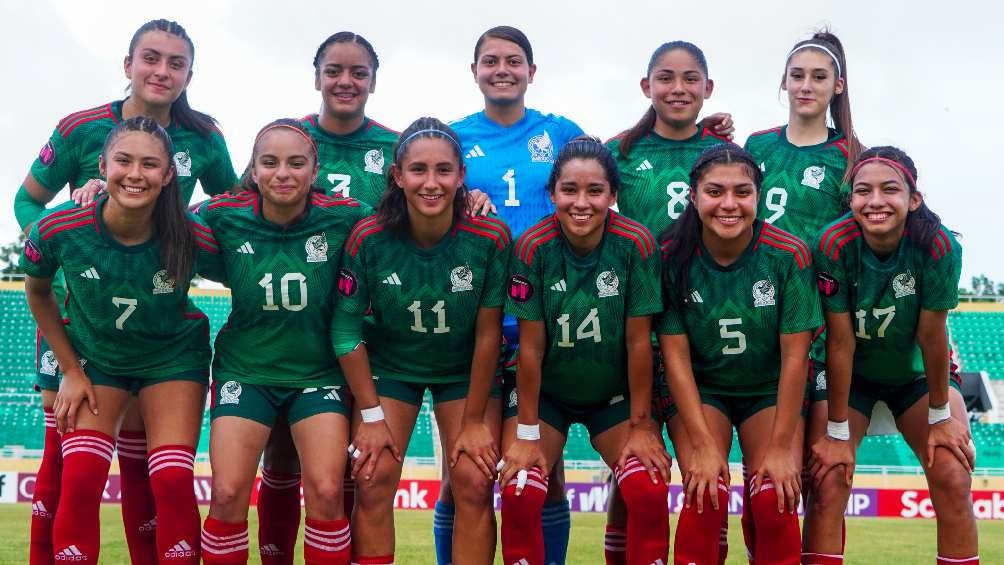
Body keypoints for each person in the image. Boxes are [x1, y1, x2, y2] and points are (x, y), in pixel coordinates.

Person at [12, 19, 238, 565]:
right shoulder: (80, 129)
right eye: (151, 58)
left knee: (150, 468)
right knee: (62, 462)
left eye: (176, 63)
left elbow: (234, 215)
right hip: (79, 317)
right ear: (128, 64)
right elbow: (27, 205)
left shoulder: (204, 137)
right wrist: (74, 258)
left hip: (160, 321)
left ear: (189, 73)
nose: (162, 71)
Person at [332, 117, 510, 565]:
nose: (431, 183)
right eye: (418, 170)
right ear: (397, 175)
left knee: (472, 479)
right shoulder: (370, 237)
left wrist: (473, 420)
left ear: (461, 175)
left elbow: (489, 332)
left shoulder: (490, 236)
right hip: (392, 368)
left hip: (463, 372)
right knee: (372, 477)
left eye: (444, 170)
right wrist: (371, 415)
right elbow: (345, 329)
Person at [197, 119, 370, 565]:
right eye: (269, 163)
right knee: (228, 491)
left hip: (318, 373)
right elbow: (160, 216)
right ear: (253, 170)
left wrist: (469, 199)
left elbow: (406, 220)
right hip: (246, 369)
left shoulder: (346, 214)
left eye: (296, 163)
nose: (283, 173)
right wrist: (99, 188)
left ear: (315, 171)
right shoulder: (222, 213)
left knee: (328, 491)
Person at [446, 26, 584, 563]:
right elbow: (421, 191)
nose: (502, 69)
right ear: (474, 70)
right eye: (490, 61)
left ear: (532, 70)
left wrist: (705, 134)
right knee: (464, 474)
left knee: (543, 473)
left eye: (513, 60)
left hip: (543, 320)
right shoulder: (454, 138)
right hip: (474, 321)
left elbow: (608, 163)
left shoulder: (559, 131)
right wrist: (460, 196)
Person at [499, 137, 671, 565]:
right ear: (552, 192)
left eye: (595, 191)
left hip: (612, 398)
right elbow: (531, 349)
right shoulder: (532, 247)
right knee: (520, 490)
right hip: (547, 399)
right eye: (570, 190)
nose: (582, 202)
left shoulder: (636, 244)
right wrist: (525, 434)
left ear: (613, 195)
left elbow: (638, 341)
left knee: (647, 488)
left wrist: (642, 424)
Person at [805, 147, 977, 565]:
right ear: (851, 201)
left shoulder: (938, 246)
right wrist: (839, 434)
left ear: (913, 199)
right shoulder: (833, 243)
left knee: (953, 472)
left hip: (915, 375)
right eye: (863, 191)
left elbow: (932, 336)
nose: (875, 201)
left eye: (890, 189)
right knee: (828, 478)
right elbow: (840, 341)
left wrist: (940, 418)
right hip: (852, 375)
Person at [658, 143, 821, 565]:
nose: (728, 204)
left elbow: (795, 358)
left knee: (774, 497)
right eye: (714, 192)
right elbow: (674, 357)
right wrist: (703, 444)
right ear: (693, 197)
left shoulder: (788, 255)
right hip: (703, 388)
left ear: (758, 196)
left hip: (767, 390)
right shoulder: (670, 258)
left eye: (742, 192)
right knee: (705, 487)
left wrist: (783, 447)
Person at [603, 39, 731, 564]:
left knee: (707, 475)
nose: (677, 88)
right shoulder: (620, 153)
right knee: (635, 480)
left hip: (699, 325)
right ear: (646, 86)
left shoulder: (722, 151)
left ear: (707, 87)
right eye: (665, 77)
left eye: (689, 78)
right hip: (631, 328)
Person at [743, 31, 862, 561]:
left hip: (818, 327)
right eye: (797, 76)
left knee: (820, 481)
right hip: (755, 324)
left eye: (818, 76)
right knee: (764, 482)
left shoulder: (851, 156)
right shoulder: (757, 146)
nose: (806, 85)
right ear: (783, 83)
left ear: (838, 85)